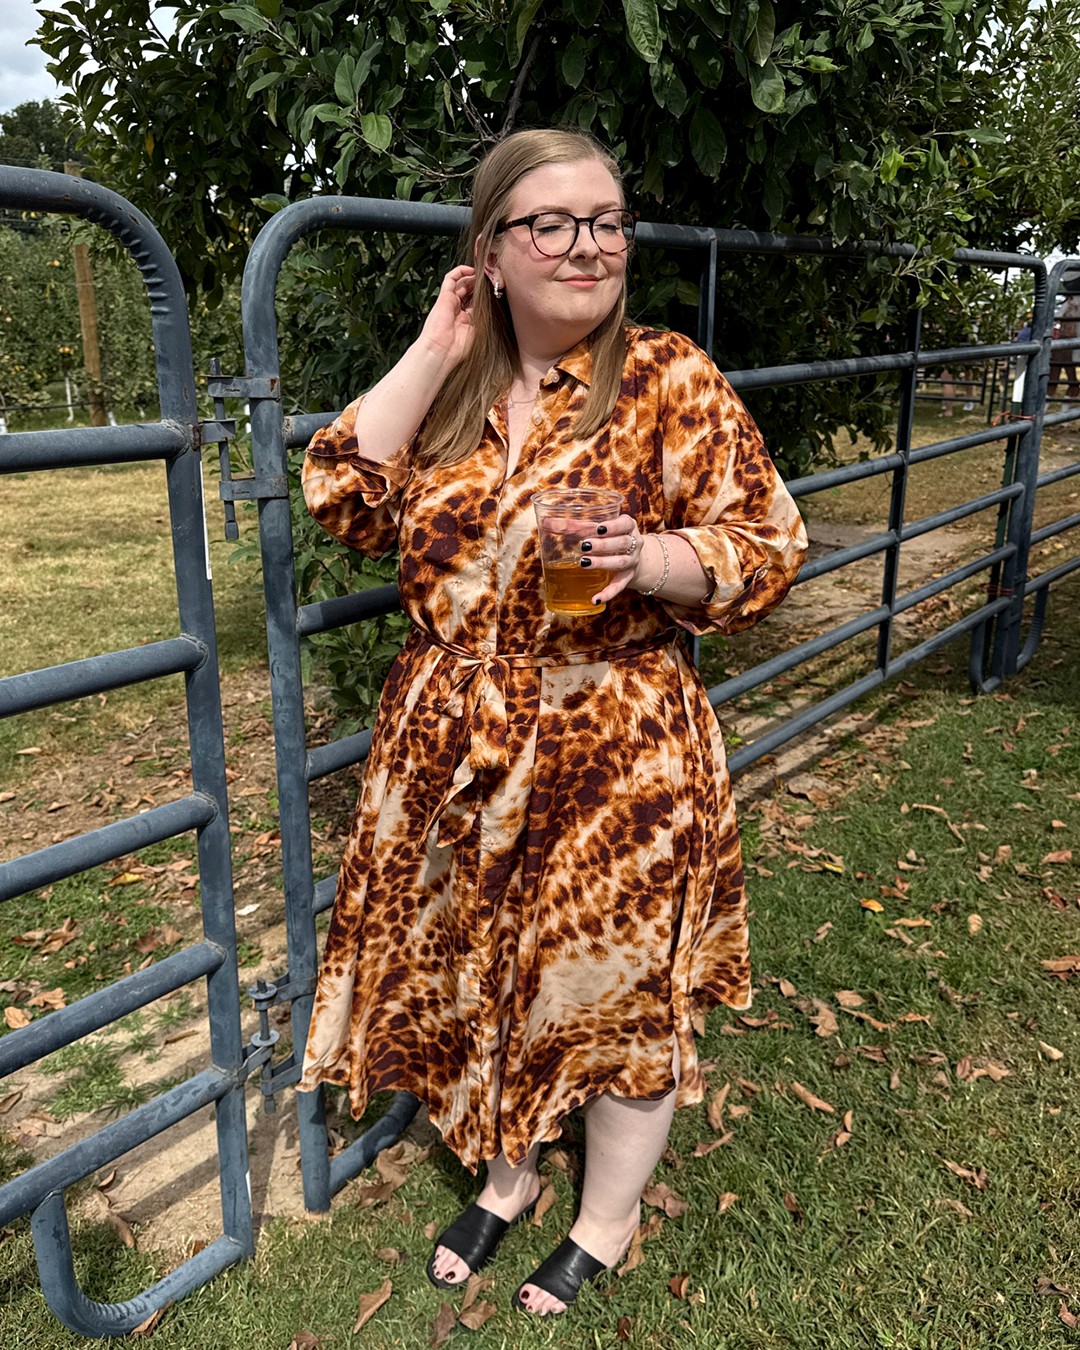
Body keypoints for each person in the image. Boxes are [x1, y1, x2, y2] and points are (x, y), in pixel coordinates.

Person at [296, 127, 808, 1317]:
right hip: (457, 744)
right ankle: (510, 1173)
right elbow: (340, 494)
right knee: (491, 974)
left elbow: (769, 543)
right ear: (492, 249)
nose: (588, 246)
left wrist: (657, 557)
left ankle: (607, 1217)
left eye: (607, 221)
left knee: (617, 994)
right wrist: (438, 342)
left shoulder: (667, 376)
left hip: (615, 741)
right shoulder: (454, 392)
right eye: (553, 225)